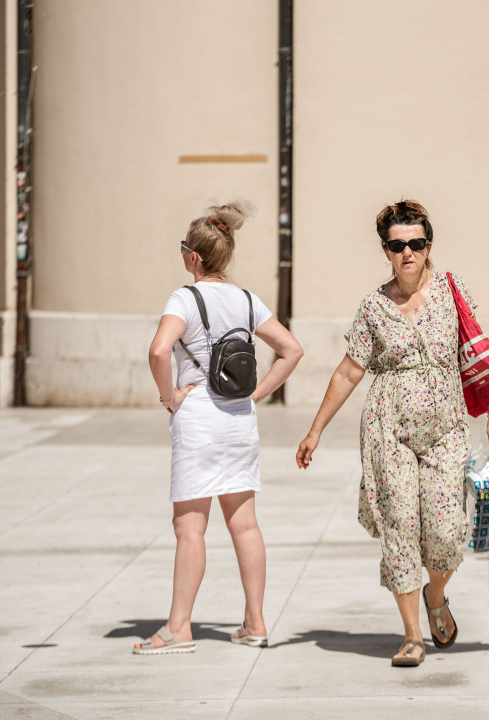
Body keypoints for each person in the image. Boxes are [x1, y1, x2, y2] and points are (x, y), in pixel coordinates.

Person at [296, 200, 489, 667]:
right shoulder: (373, 307)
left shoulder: (452, 290)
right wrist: (315, 430)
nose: (407, 252)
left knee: (446, 530)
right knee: (401, 527)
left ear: (428, 246)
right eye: (397, 246)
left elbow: (476, 352)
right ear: (386, 251)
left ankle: (436, 595)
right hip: (387, 429)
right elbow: (349, 371)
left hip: (446, 429)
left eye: (415, 243)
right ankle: (412, 635)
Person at [136, 201, 304, 655]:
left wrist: (169, 397)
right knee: (245, 525)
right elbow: (291, 349)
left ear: (193, 256)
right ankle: (255, 624)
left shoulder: (184, 298)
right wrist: (257, 395)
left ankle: (178, 628)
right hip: (239, 421)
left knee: (190, 528)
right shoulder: (247, 300)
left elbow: (159, 351)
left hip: (199, 423)